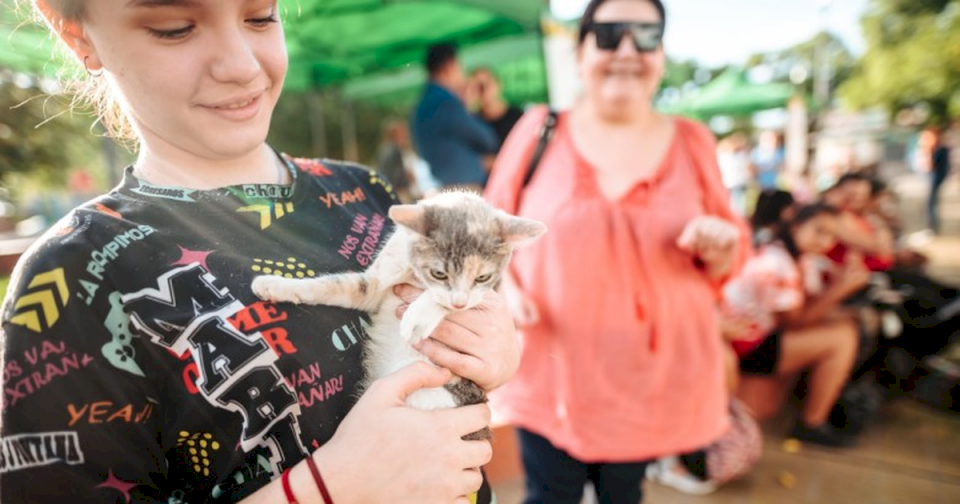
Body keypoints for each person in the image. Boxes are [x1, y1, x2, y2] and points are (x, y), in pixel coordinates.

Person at [1, 2, 521, 503]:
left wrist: (491, 350)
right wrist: (328, 489)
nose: (241, 65)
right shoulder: (72, 276)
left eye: (260, 17)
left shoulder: (366, 193)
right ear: (77, 32)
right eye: (176, 27)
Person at [483, 1, 751, 502]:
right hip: (552, 374)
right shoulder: (539, 129)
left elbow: (732, 255)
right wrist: (509, 285)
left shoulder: (693, 141)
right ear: (580, 50)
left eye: (646, 35)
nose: (627, 49)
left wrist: (719, 247)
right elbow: (489, 230)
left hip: (648, 383)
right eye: (608, 35)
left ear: (662, 54)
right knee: (549, 495)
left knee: (625, 496)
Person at [727, 204, 868, 446]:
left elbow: (810, 306)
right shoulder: (775, 263)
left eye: (832, 236)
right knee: (841, 339)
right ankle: (812, 423)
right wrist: (841, 289)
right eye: (819, 231)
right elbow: (796, 323)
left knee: (844, 326)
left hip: (764, 337)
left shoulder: (803, 259)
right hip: (746, 344)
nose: (825, 241)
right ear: (795, 225)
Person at [411, 43, 498, 191]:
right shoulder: (444, 102)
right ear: (449, 66)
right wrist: (467, 105)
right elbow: (487, 139)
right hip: (464, 190)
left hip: (443, 187)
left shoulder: (425, 101)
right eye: (460, 67)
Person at [468, 67, 524, 152]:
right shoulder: (473, 123)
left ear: (498, 84)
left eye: (487, 83)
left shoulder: (519, 117)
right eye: (478, 86)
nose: (484, 89)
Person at [375, 118, 423, 203]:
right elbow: (401, 173)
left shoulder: (384, 149)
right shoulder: (394, 150)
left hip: (389, 189)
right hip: (399, 190)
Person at [919, 125, 952, 234]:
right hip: (935, 176)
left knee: (931, 202)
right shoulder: (940, 148)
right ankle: (932, 226)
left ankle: (932, 227)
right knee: (932, 202)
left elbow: (930, 165)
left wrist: (927, 151)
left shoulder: (939, 149)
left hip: (935, 177)